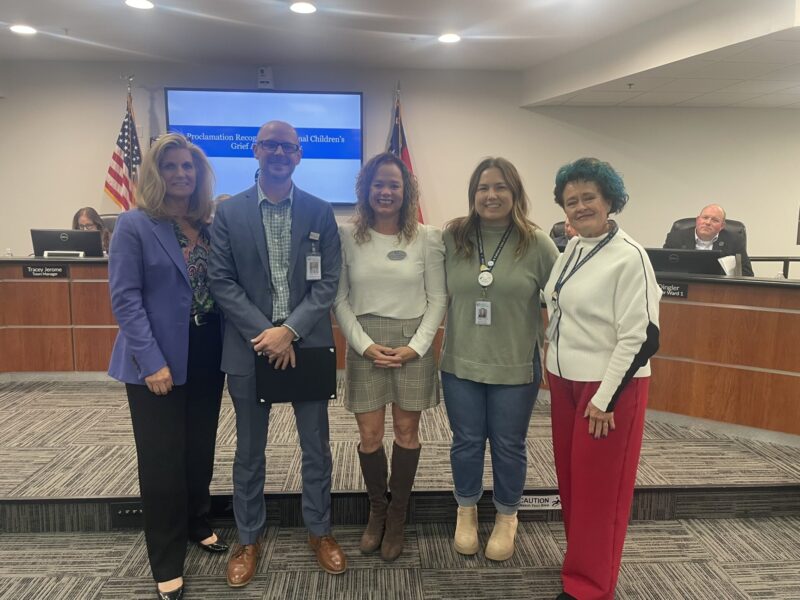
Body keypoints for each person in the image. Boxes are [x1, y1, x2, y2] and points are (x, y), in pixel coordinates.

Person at [208, 120, 345, 588]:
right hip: (250, 349)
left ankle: (320, 530)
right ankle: (248, 538)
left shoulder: (320, 211)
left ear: (299, 154)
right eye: (271, 145)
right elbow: (221, 281)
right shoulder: (228, 213)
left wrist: (289, 331)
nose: (279, 153)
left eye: (288, 146)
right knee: (249, 452)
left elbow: (328, 282)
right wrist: (267, 334)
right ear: (256, 150)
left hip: (307, 345)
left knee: (316, 449)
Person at [108, 133, 227, 600]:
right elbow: (125, 299)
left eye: (188, 166)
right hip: (155, 357)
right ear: (155, 175)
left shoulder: (207, 225)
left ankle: (197, 521)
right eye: (171, 166)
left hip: (206, 349)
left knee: (199, 447)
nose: (181, 174)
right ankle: (166, 558)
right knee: (162, 459)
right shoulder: (135, 224)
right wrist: (152, 361)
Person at [545, 157, 661, 600]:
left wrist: (606, 398)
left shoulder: (630, 256)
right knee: (573, 482)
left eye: (588, 197)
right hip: (565, 381)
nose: (579, 207)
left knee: (600, 492)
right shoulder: (574, 248)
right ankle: (581, 562)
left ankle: (590, 588)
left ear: (609, 199)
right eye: (571, 200)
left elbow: (643, 336)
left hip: (608, 388)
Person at [440, 157, 559, 561]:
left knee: (509, 445)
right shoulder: (453, 237)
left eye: (500, 187)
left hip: (515, 365)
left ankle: (507, 516)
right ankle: (467, 511)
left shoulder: (536, 243)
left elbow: (564, 301)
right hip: (461, 364)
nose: (491, 195)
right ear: (473, 194)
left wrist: (555, 347)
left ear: (515, 193)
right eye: (483, 188)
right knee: (466, 442)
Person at [333, 152, 446, 561]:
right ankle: (377, 511)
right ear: (366, 189)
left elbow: (438, 299)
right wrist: (363, 344)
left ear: (406, 191)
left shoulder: (428, 237)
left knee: (405, 431)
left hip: (413, 342)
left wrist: (416, 346)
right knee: (369, 435)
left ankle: (398, 516)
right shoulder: (347, 236)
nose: (385, 192)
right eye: (378, 184)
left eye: (394, 185)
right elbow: (339, 299)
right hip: (365, 342)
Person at [663, 204, 753, 276]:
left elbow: (747, 274)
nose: (708, 222)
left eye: (715, 220)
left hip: (719, 287)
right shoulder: (676, 238)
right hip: (685, 286)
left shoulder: (734, 241)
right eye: (705, 218)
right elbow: (663, 268)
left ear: (722, 226)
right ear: (697, 220)